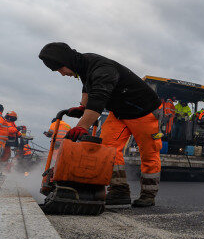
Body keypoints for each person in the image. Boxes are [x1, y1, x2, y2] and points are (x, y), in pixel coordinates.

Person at [39, 42, 162, 207]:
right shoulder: (83, 65)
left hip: (144, 111)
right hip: (120, 112)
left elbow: (97, 101)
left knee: (149, 153)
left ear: (66, 60)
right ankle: (119, 190)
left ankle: (148, 194)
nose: (61, 74)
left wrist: (81, 126)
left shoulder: (102, 69)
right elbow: (88, 86)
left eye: (60, 69)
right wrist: (83, 106)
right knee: (107, 149)